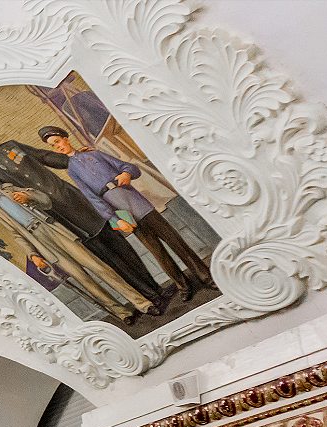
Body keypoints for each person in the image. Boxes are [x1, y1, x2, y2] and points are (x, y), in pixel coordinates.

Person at [0, 127, 166, 310]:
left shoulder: (10, 145)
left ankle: (156, 289)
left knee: (117, 241)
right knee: (105, 255)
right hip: (59, 214)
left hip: (71, 197)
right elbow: (18, 198)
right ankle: (147, 295)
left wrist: (72, 158)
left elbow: (44, 156)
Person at [39, 125, 212, 301]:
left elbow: (131, 167)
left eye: (58, 141)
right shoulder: (72, 171)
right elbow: (93, 199)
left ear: (65, 138)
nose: (58, 146)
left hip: (137, 202)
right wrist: (115, 220)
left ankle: (204, 276)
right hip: (121, 213)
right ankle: (183, 286)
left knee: (175, 241)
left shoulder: (95, 154)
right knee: (156, 251)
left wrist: (126, 174)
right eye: (53, 146)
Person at [0, 171, 154, 323]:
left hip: (53, 229)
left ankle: (142, 304)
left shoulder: (8, 189)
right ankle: (122, 313)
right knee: (84, 279)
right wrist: (33, 255)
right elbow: (17, 235)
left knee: (99, 268)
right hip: (41, 243)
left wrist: (28, 197)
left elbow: (46, 201)